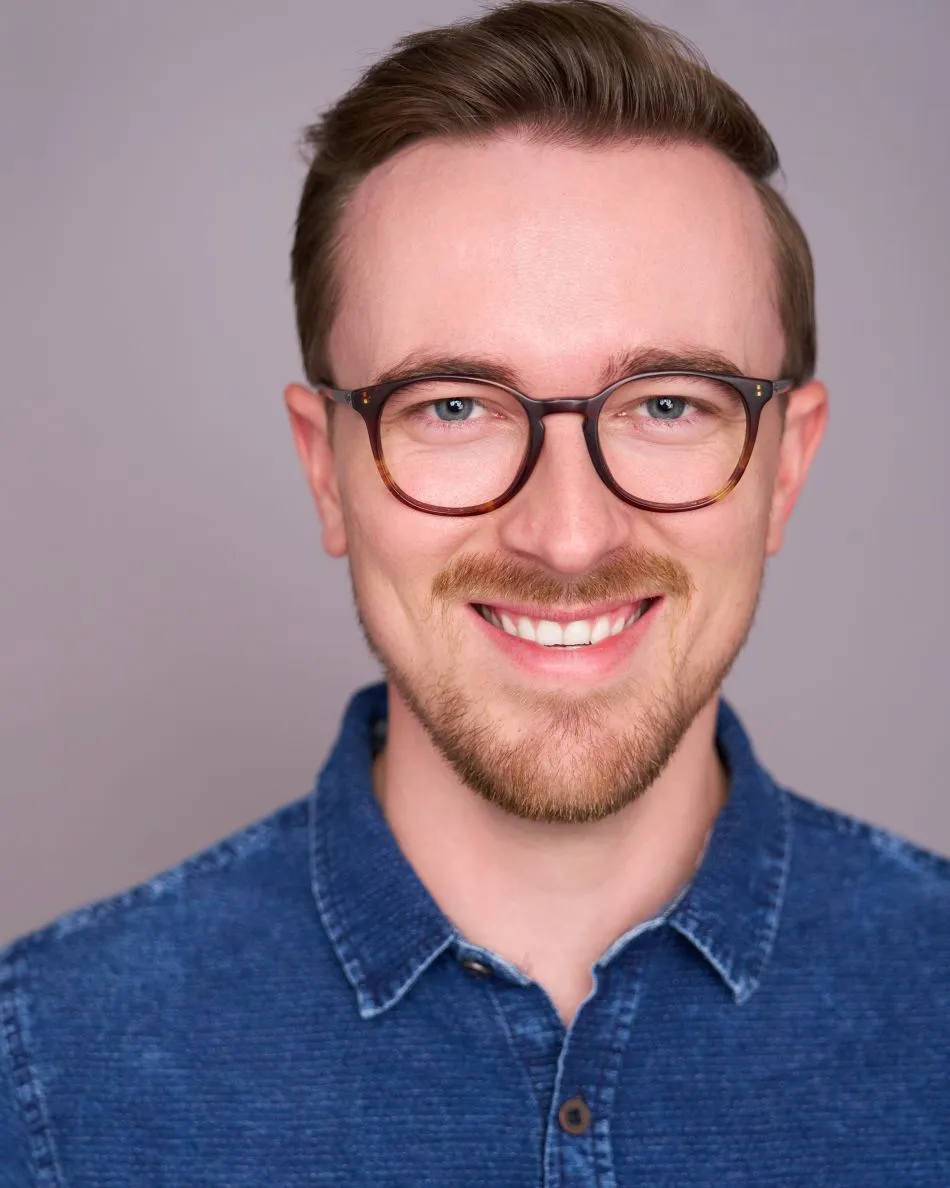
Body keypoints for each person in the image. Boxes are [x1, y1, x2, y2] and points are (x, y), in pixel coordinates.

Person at [2, 1, 948, 1183]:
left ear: (786, 465)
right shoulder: (46, 1078)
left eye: (665, 404)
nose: (564, 534)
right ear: (325, 471)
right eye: (452, 406)